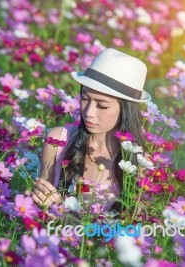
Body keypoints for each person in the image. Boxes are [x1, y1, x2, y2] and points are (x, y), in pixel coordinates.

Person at [31, 48, 152, 212]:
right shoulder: (58, 141)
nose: (88, 112)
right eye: (85, 98)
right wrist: (44, 204)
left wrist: (63, 215)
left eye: (102, 105)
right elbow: (40, 206)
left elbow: (133, 229)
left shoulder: (141, 164)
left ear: (126, 110)